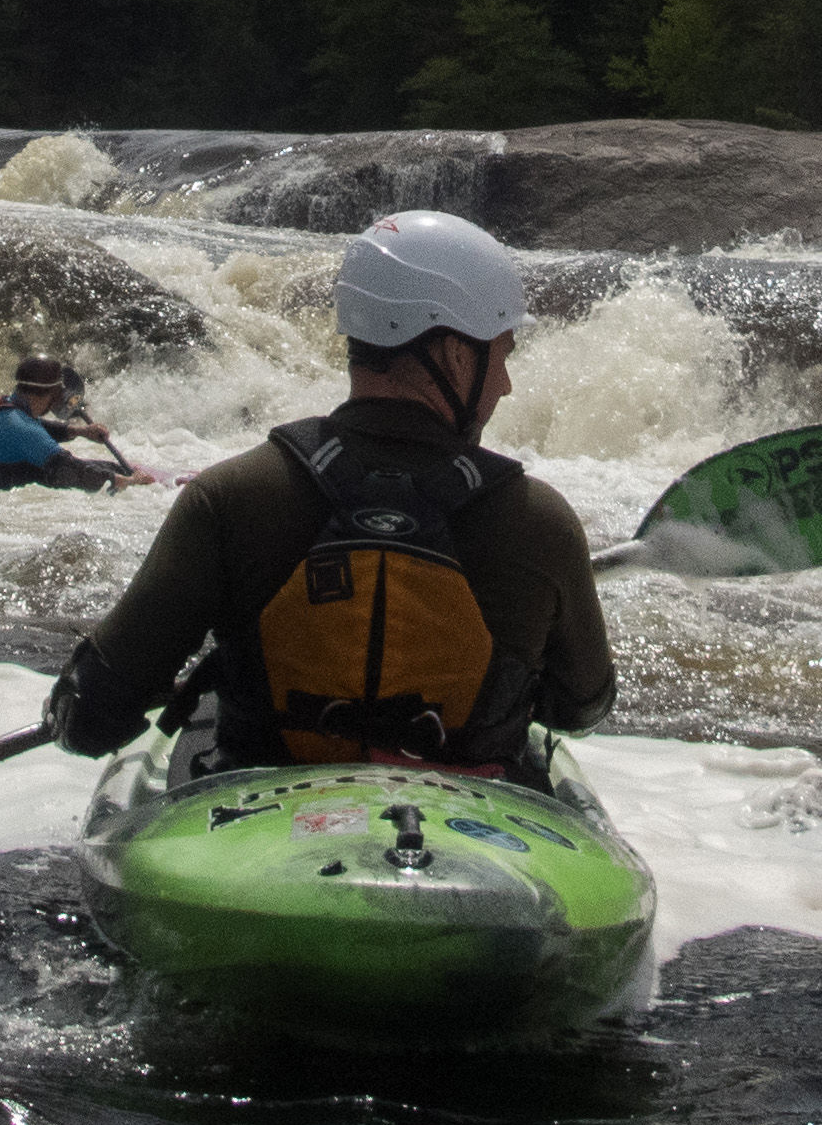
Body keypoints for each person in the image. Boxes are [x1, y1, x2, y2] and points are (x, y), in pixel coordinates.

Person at [39, 208, 611, 776]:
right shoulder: (540, 521)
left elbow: (93, 717)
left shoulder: (228, 496)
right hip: (469, 817)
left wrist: (76, 705)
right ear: (454, 353)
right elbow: (582, 707)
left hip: (262, 814)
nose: (505, 385)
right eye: (502, 354)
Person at [0, 353, 121, 495]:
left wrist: (80, 431)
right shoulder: (22, 428)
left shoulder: (0, 406)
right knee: (103, 471)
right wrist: (122, 481)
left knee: (107, 467)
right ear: (53, 394)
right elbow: (70, 470)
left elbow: (35, 426)